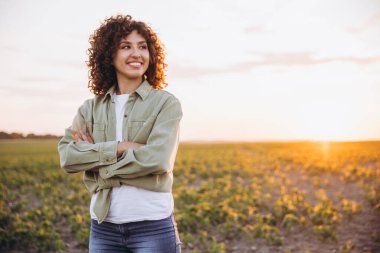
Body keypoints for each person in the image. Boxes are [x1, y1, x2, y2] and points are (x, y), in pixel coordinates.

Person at [58, 15, 182, 253]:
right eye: (126, 46)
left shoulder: (166, 104)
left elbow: (157, 160)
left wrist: (98, 166)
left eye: (142, 47)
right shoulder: (89, 109)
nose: (136, 53)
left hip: (152, 227)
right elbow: (68, 157)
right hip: (103, 229)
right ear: (109, 56)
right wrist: (121, 147)